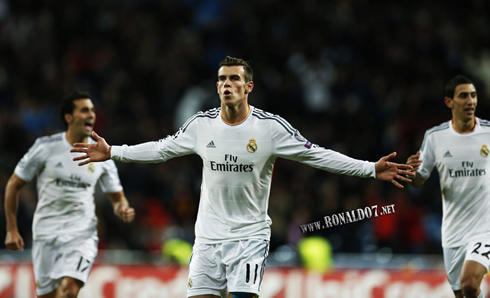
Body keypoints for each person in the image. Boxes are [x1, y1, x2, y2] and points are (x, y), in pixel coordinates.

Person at [71, 56, 413, 298]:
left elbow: (317, 155)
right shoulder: (201, 125)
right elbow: (161, 149)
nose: (226, 84)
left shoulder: (269, 128)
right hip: (207, 240)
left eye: (234, 78)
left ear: (248, 86)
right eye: (221, 79)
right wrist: (114, 150)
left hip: (248, 239)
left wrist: (369, 168)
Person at [4, 91, 135, 298]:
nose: (91, 114)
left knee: (70, 290)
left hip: (81, 234)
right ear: (69, 117)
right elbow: (13, 184)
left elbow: (117, 197)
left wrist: (122, 208)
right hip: (46, 233)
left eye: (92, 110)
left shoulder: (103, 156)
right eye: (84, 110)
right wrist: (12, 229)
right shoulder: (46, 147)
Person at [406, 75, 489, 298]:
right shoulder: (435, 137)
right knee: (463, 293)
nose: (470, 101)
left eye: (473, 95)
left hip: (485, 228)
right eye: (463, 96)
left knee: (470, 282)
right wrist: (410, 172)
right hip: (453, 231)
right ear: (449, 102)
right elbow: (418, 180)